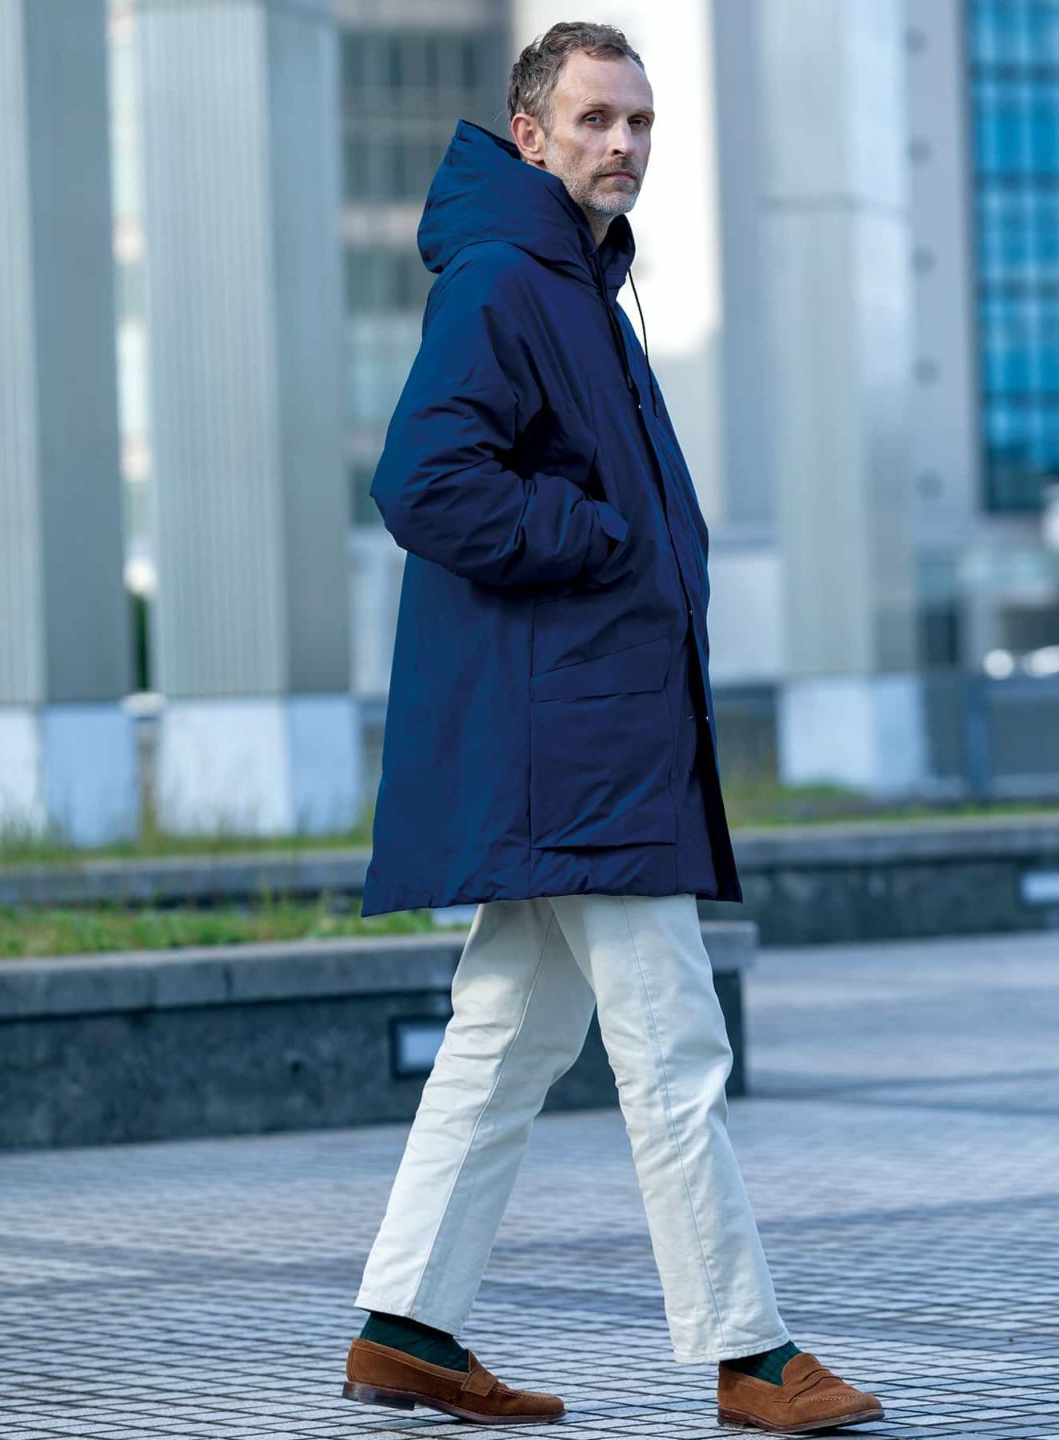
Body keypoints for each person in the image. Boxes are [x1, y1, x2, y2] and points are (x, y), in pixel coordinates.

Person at [342, 21, 885, 1435]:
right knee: (674, 1047)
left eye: (639, 121)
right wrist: (592, 537)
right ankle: (750, 1354)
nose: (624, 144)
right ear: (531, 135)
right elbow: (423, 481)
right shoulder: (508, 281)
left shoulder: (578, 284)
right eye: (595, 120)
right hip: (572, 748)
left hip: (583, 739)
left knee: (503, 1041)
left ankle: (405, 1328)